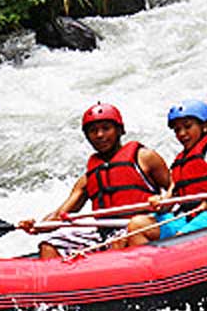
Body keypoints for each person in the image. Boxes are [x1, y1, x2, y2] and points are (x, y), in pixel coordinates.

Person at [19, 103, 171, 258]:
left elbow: (175, 188)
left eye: (106, 128)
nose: (99, 135)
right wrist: (36, 226)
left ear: (120, 130)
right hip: (103, 232)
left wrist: (163, 202)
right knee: (49, 245)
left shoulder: (144, 157)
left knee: (120, 240)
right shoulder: (87, 178)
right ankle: (60, 279)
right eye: (93, 131)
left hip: (138, 227)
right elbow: (60, 215)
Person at [122, 99, 207, 247]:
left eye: (187, 127)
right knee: (136, 226)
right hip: (188, 215)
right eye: (177, 130)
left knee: (179, 240)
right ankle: (148, 267)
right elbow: (170, 198)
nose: (182, 133)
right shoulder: (181, 159)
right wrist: (159, 203)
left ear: (204, 126)